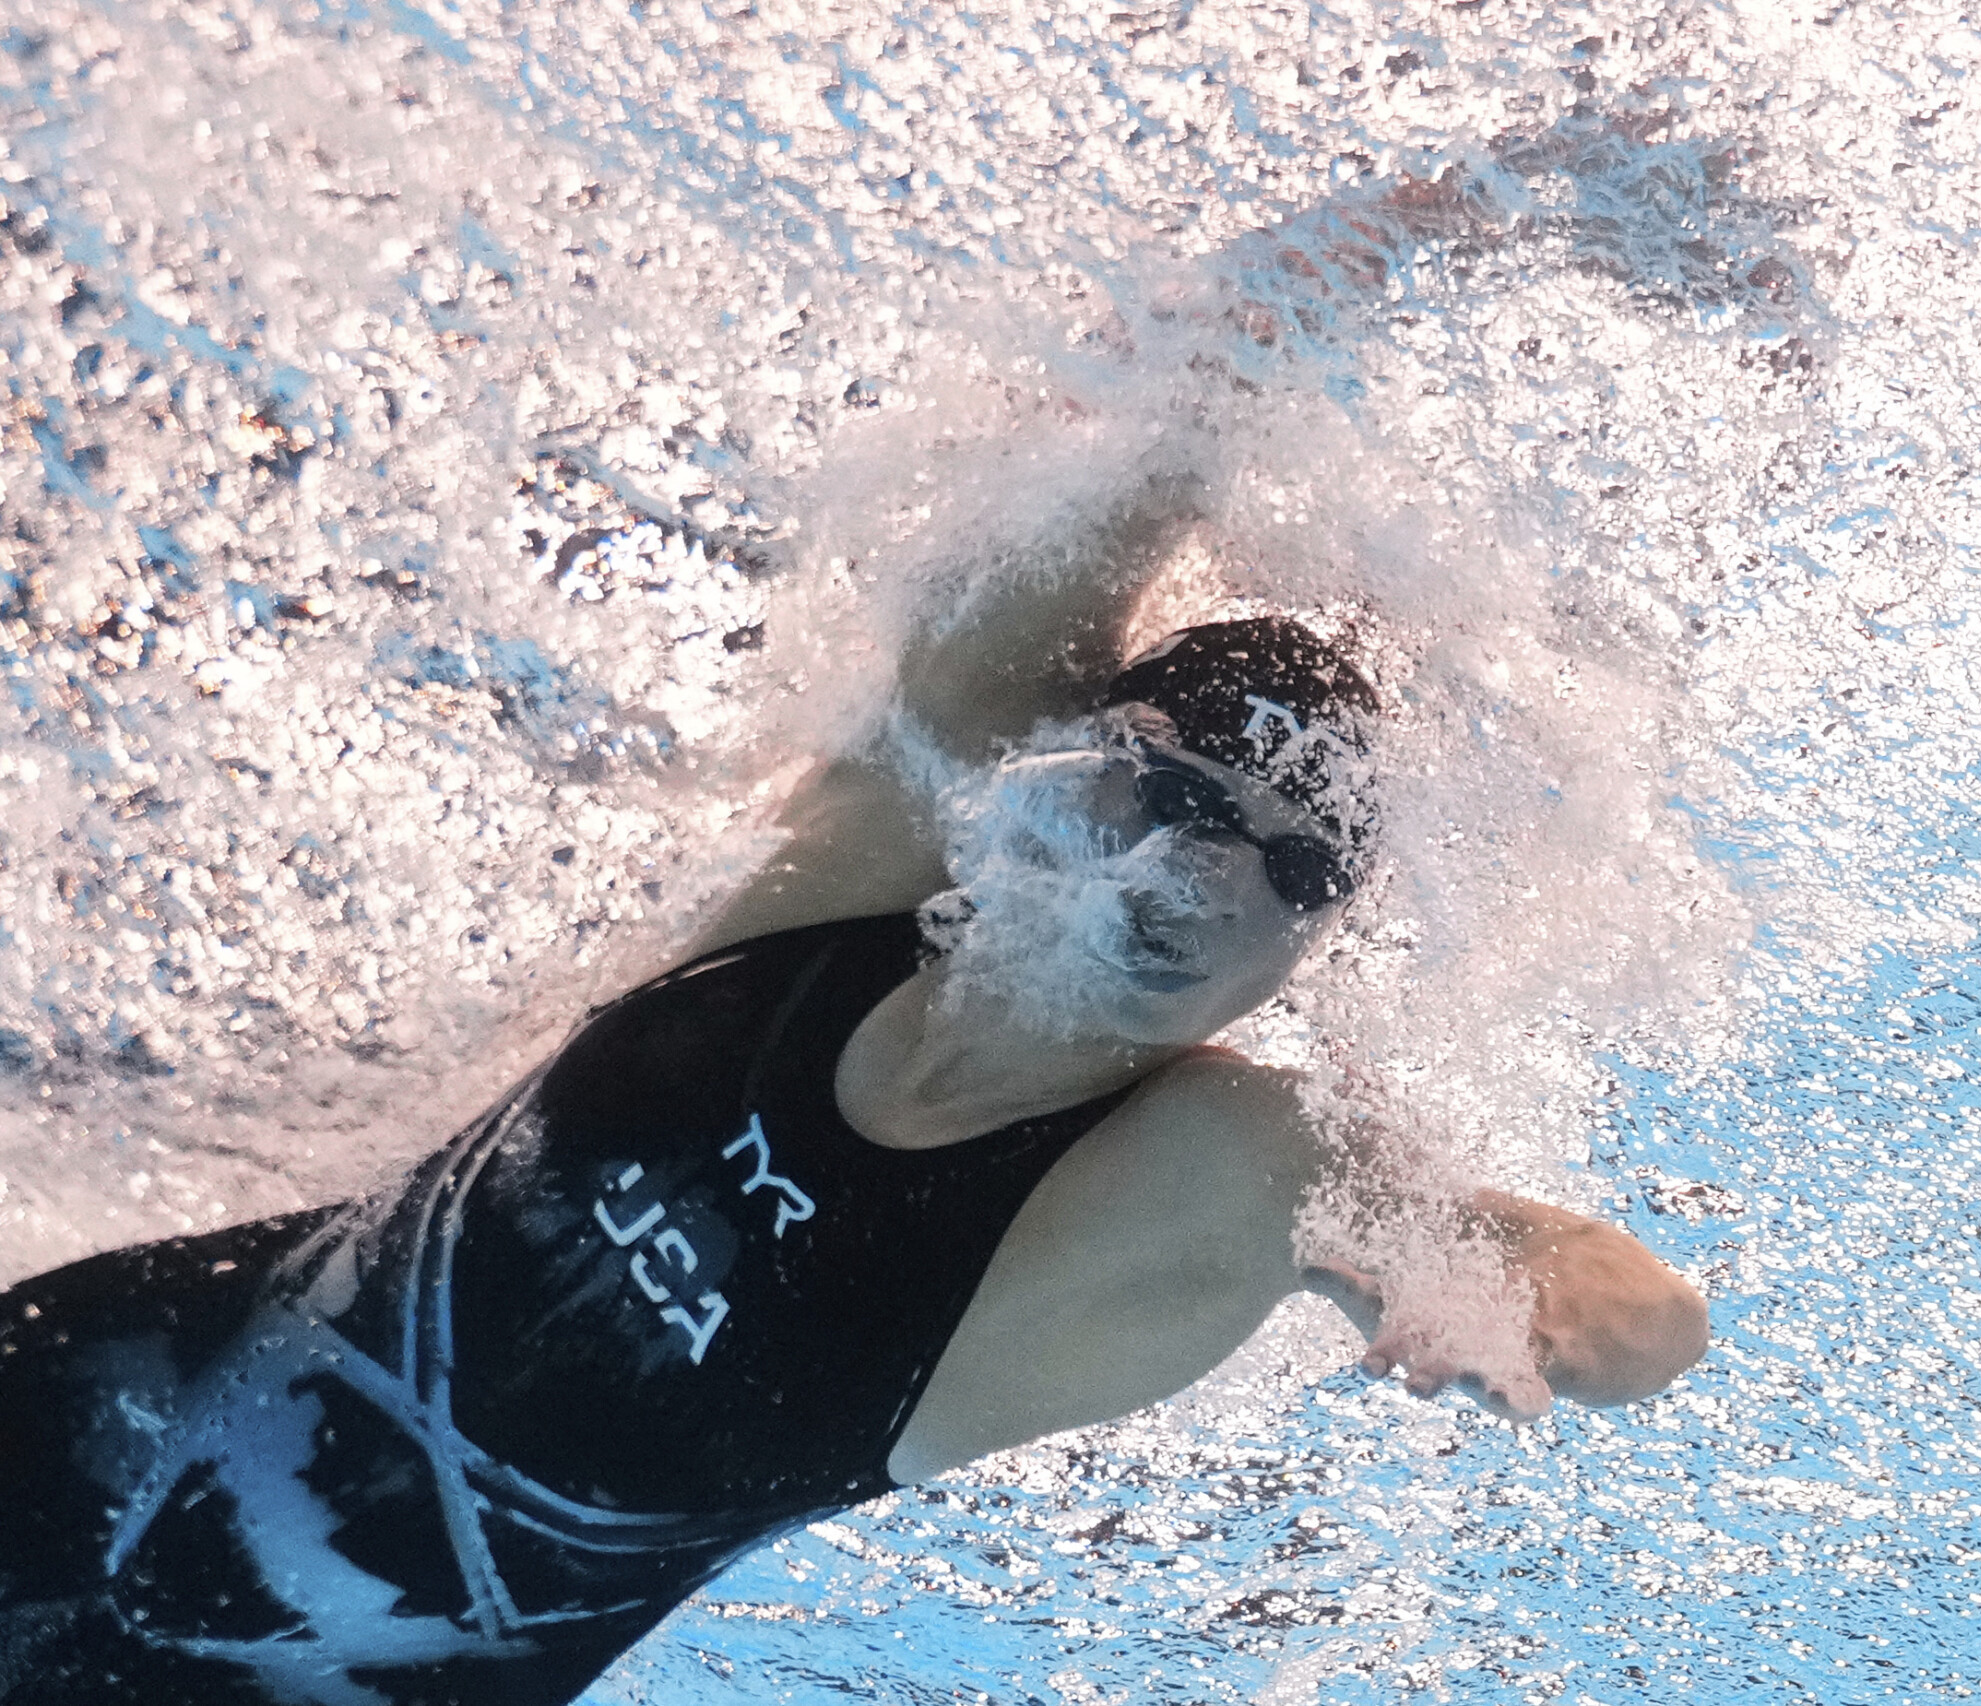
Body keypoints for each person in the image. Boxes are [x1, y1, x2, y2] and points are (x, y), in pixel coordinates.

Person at [0, 518, 1710, 1706]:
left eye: (1298, 859)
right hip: (74, 1396)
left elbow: (1642, 1320)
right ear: (1076, 766)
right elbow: (1120, 450)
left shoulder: (1188, 1181)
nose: (1214, 874)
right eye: (1183, 794)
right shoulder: (851, 886)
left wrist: (1517, 1283)